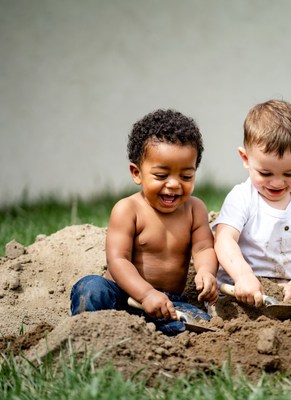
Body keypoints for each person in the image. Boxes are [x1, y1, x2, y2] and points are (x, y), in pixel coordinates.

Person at [70, 109, 218, 335]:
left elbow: (204, 247)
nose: (174, 184)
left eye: (186, 176)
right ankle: (91, 335)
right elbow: (118, 259)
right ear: (137, 173)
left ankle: (154, 338)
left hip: (168, 304)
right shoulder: (128, 209)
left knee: (200, 322)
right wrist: (146, 293)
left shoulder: (194, 209)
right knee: (90, 288)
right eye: (161, 176)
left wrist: (206, 272)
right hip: (122, 296)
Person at [213, 99, 291, 325]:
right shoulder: (242, 198)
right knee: (225, 310)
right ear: (245, 159)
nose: (277, 183)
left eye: (290, 173)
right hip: (240, 290)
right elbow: (224, 240)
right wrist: (243, 276)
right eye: (266, 173)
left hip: (288, 291)